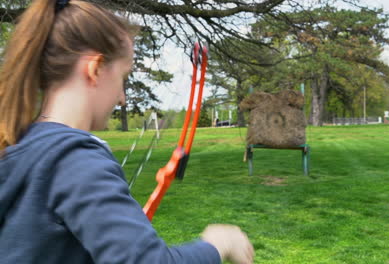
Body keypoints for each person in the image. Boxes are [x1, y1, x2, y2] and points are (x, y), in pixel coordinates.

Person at [0, 0, 254, 263]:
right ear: (95, 69)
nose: (122, 97)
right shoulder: (75, 160)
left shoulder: (18, 147)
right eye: (123, 77)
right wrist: (216, 245)